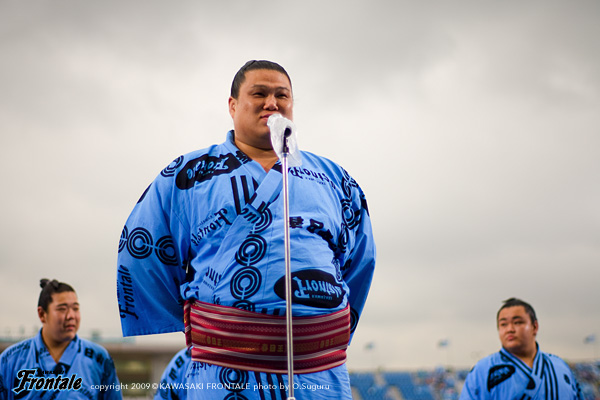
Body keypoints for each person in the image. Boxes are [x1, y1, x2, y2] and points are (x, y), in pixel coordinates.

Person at [117, 59, 376, 400]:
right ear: (233, 105)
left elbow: (358, 262)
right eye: (260, 93)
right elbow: (144, 255)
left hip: (319, 376)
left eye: (282, 95)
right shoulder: (187, 175)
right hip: (222, 374)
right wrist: (207, 319)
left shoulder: (335, 179)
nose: (272, 103)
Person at [0, 279, 122, 400]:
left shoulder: (98, 358)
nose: (71, 316)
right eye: (62, 309)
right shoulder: (10, 359)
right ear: (42, 314)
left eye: (75, 308)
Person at [459, 298, 582, 399]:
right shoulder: (483, 370)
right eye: (503, 324)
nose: (510, 329)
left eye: (517, 322)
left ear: (535, 326)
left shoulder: (559, 366)